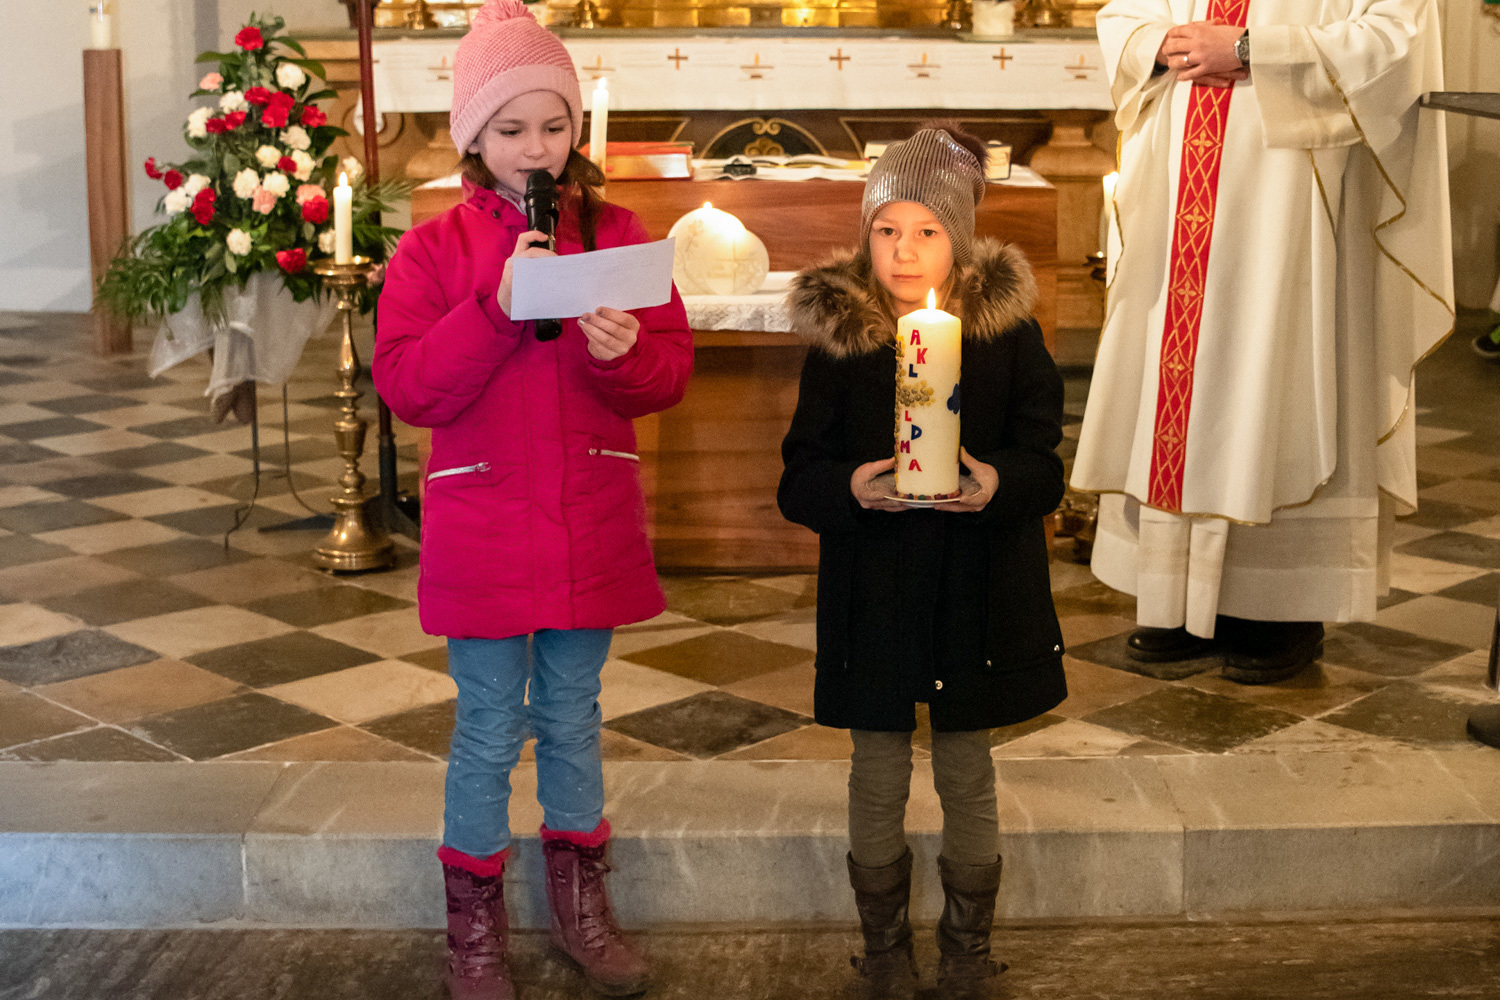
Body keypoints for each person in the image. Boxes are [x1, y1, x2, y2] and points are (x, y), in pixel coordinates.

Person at [372, 1, 693, 996]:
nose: (537, 149)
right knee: (485, 726)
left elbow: (668, 374)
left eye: (554, 126)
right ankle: (474, 931)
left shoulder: (618, 235)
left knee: (573, 714)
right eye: (511, 130)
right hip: (484, 527)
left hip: (585, 518)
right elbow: (408, 385)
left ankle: (582, 910)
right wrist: (496, 306)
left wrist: (626, 352)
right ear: (474, 138)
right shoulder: (433, 251)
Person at [1072, 0, 1454, 681]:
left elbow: (1397, 40)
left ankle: (1280, 610)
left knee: (1276, 374)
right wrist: (1160, 44)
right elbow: (1123, 15)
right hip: (1179, 189)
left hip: (1293, 192)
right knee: (1179, 380)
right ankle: (1175, 597)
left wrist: (1250, 50)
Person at [778, 124, 1068, 1000]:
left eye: (927, 231)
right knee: (876, 768)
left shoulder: (1009, 339)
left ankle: (968, 951)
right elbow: (799, 477)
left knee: (967, 767)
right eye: (887, 230)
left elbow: (1043, 462)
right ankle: (884, 949)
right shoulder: (842, 346)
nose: (904, 251)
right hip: (874, 591)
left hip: (976, 593)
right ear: (865, 237)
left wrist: (996, 481)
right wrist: (850, 487)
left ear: (962, 240)